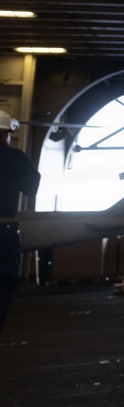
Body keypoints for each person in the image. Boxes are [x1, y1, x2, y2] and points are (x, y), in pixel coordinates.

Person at [0, 109, 40, 331]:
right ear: (6, 134)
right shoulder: (18, 158)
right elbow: (31, 189)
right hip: (4, 229)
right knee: (5, 283)